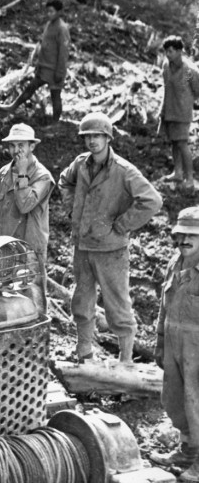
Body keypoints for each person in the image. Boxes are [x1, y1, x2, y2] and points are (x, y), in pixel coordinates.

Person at [58, 113, 162, 364]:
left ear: (107, 138)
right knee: (81, 302)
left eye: (97, 136)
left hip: (111, 250)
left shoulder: (124, 171)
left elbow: (153, 201)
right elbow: (64, 181)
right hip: (83, 246)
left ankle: (126, 361)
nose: (92, 141)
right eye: (88, 136)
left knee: (117, 306)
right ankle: (84, 353)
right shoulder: (81, 164)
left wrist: (122, 225)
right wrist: (74, 210)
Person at [152, 205, 199, 481]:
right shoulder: (174, 262)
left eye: (192, 236)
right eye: (180, 236)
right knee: (174, 399)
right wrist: (159, 341)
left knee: (197, 402)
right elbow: (164, 306)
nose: (184, 241)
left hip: (197, 347)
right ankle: (186, 451)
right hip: (173, 342)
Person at [0, 123, 54, 266]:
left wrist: (22, 174)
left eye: (21, 145)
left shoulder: (43, 176)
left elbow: (25, 205)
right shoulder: (3, 173)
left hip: (28, 250)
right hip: (3, 246)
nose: (16, 150)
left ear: (32, 146)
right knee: (1, 285)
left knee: (30, 287)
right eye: (12, 145)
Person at [3, 0, 71, 122]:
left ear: (59, 12)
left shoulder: (62, 28)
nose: (49, 14)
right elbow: (44, 43)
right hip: (44, 67)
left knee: (55, 96)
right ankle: (12, 107)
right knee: (31, 87)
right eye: (48, 11)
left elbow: (63, 53)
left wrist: (60, 72)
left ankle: (56, 122)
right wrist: (38, 64)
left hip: (55, 69)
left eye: (52, 11)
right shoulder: (49, 25)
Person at [158, 36, 199, 194]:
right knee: (174, 143)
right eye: (166, 51)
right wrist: (162, 111)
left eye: (171, 51)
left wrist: (189, 101)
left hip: (182, 112)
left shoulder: (189, 71)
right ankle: (177, 172)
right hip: (169, 110)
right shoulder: (166, 67)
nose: (168, 54)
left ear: (180, 51)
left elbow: (196, 89)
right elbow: (166, 88)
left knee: (182, 143)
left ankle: (189, 178)